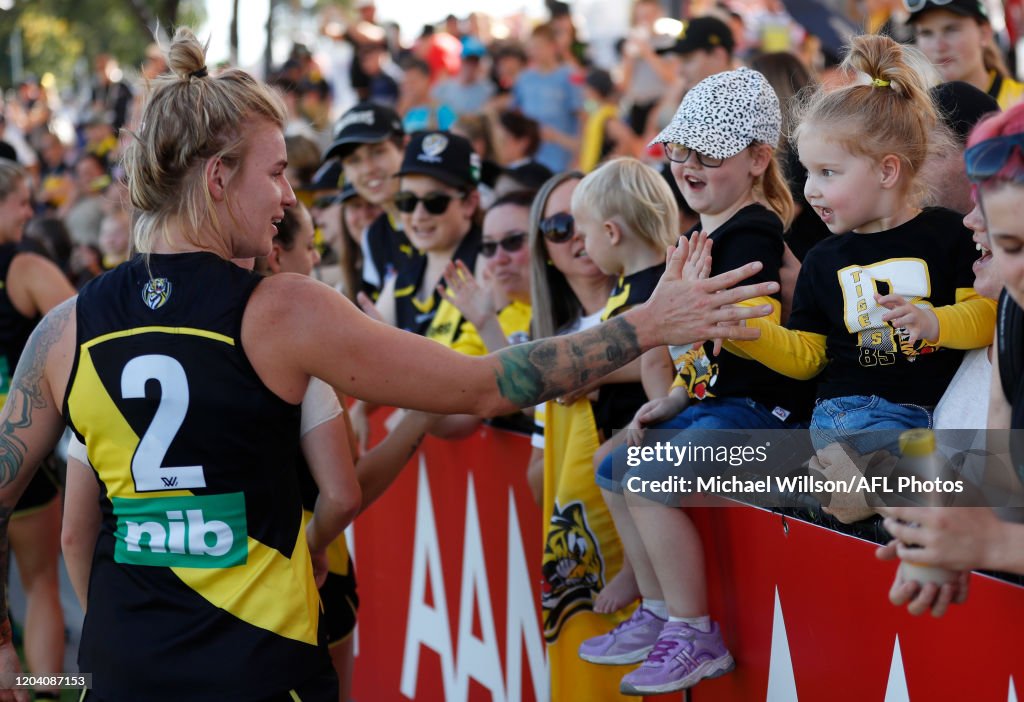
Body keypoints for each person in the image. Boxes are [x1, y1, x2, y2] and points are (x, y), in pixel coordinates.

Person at [0, 28, 780, 702]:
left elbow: (44, 514)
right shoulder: (282, 309)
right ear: (216, 178)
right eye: (275, 173)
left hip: (121, 669)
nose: (286, 196)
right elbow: (482, 385)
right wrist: (644, 325)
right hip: (258, 669)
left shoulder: (69, 326)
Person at [584, 68, 810, 696]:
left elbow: (740, 335)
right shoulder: (704, 232)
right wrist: (679, 396)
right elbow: (711, 359)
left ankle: (692, 630)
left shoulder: (755, 229)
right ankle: (658, 610)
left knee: (651, 475)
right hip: (723, 404)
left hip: (767, 418)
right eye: (679, 150)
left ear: (759, 157)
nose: (685, 164)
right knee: (612, 462)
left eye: (706, 152)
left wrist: (683, 317)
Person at [876, 101, 1024, 614]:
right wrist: (948, 528)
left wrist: (995, 545)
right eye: (1006, 243)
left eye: (1020, 242)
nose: (968, 223)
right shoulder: (1012, 313)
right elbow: (1002, 480)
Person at [0, 159, 76, 701]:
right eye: (21, 202)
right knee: (41, 582)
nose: (30, 212)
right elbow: (85, 337)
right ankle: (45, 691)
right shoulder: (25, 266)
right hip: (18, 455)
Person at [323, 101, 416, 296]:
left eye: (377, 152)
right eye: (353, 160)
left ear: (404, 147)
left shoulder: (439, 212)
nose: (368, 169)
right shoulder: (373, 237)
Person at [907, 0, 1024, 109]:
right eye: (926, 33)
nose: (939, 46)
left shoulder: (1019, 104)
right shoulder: (916, 111)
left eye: (951, 29)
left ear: (984, 33)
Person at [511, 23, 584, 172]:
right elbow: (515, 112)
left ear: (552, 46)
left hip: (562, 159)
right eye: (530, 47)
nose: (533, 52)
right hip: (532, 159)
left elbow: (583, 115)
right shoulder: (524, 78)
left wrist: (578, 155)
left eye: (538, 46)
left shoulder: (569, 75)